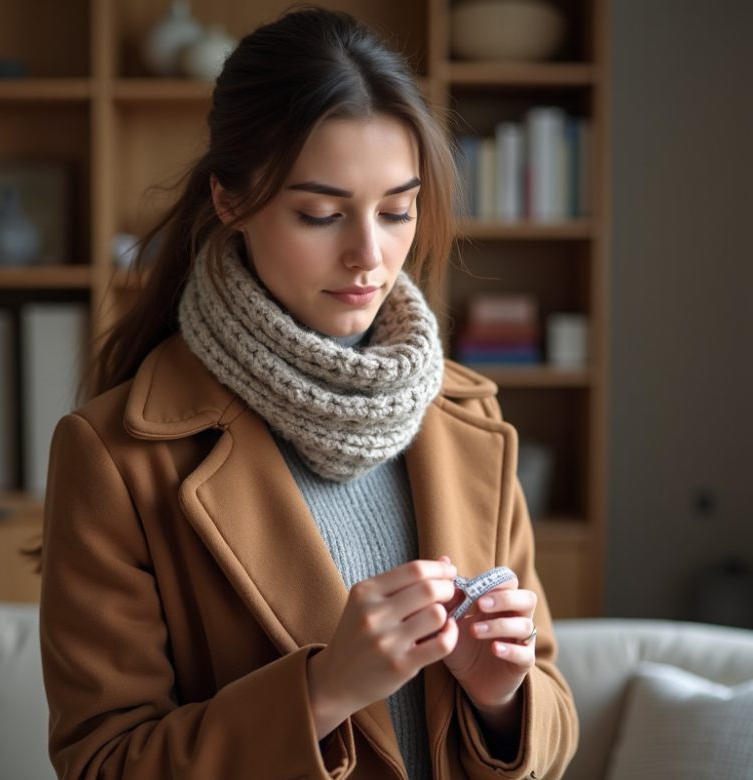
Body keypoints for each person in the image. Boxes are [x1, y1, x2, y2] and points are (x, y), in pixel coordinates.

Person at [39, 7, 577, 779]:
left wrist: (503, 704)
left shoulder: (468, 416)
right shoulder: (116, 456)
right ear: (230, 201)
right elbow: (103, 763)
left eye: (397, 210)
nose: (369, 255)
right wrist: (322, 692)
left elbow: (554, 706)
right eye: (321, 213)